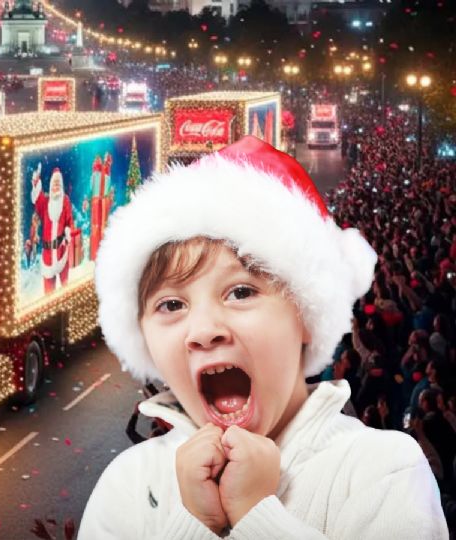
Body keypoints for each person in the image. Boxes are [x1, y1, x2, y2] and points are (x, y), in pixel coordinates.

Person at [81, 136, 448, 538]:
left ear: (305, 314)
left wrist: (256, 517)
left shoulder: (384, 469)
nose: (203, 332)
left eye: (240, 292)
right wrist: (195, 524)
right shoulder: (128, 485)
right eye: (171, 305)